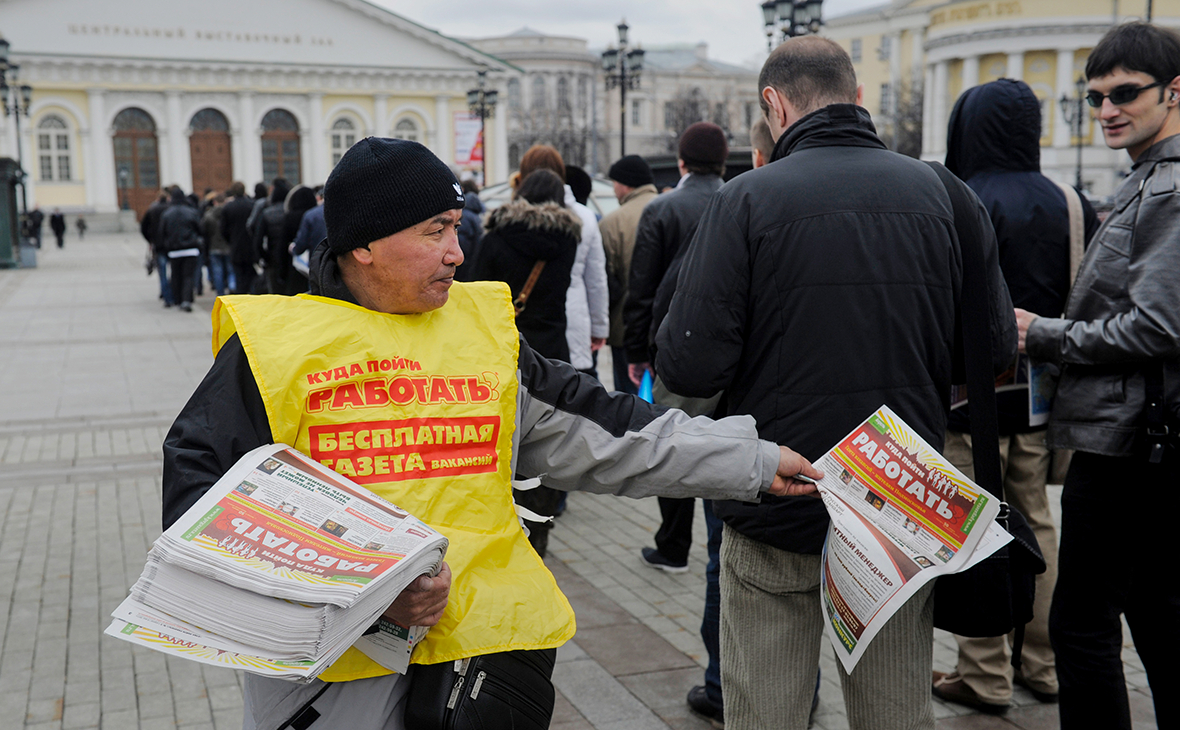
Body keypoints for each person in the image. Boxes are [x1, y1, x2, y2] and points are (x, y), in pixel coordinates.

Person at [160, 136, 823, 730]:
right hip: (328, 687)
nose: (457, 251)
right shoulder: (275, 350)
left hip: (474, 666)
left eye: (455, 226)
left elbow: (611, 429)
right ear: (362, 245)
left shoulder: (482, 335)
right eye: (434, 231)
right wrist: (364, 594)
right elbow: (203, 507)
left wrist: (753, 461)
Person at [655, 37, 1016, 730]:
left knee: (766, 710)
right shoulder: (946, 193)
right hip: (896, 507)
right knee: (895, 712)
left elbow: (691, 365)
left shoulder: (746, 200)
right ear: (857, 99)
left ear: (774, 104)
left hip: (778, 494)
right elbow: (993, 349)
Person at [1015, 22, 1180, 730]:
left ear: (1174, 92)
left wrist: (1041, 335)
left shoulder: (1167, 189)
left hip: (1128, 450)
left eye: (1124, 94)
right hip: (1141, 444)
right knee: (1157, 621)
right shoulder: (1148, 179)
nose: (1108, 110)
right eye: (1095, 99)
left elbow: (1159, 327)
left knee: (1082, 628)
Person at [931, 78, 1100, 715]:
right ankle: (1045, 663)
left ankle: (984, 673)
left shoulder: (958, 198)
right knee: (1039, 523)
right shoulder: (1072, 200)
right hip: (1039, 396)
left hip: (965, 399)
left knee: (971, 529)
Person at [626, 123, 728, 583]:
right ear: (724, 162)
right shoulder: (744, 199)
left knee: (673, 444)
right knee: (726, 447)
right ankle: (721, 546)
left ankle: (673, 545)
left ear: (682, 162)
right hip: (733, 351)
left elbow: (641, 287)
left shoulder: (663, 208)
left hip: (672, 350)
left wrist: (636, 350)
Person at [519, 145, 609, 379]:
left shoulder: (510, 217)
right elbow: (596, 278)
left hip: (523, 318)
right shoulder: (584, 217)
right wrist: (599, 327)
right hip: (573, 315)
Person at [599, 155, 658, 396]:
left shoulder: (612, 222)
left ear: (626, 184)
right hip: (667, 327)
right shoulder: (671, 208)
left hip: (625, 329)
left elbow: (606, 281)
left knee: (629, 406)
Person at [157, 187, 203, 313]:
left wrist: (165, 246)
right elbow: (199, 229)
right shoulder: (191, 212)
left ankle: (178, 299)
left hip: (174, 250)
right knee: (188, 276)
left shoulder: (167, 213)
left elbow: (162, 233)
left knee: (176, 275)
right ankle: (186, 300)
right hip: (190, 248)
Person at [253, 179, 292, 294]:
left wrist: (265, 258)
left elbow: (258, 240)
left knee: (275, 294)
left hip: (273, 259)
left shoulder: (267, 213)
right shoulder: (290, 213)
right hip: (290, 259)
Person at [220, 182, 258, 295]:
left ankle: (241, 296)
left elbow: (223, 229)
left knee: (239, 276)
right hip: (250, 245)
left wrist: (230, 240)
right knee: (250, 274)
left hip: (236, 246)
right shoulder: (252, 205)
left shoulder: (228, 207)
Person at [281, 185, 318, 294]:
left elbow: (283, 243)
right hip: (314, 262)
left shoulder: (290, 217)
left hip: (294, 266)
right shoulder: (314, 215)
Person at [141, 191, 173, 307]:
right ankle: (172, 294)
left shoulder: (152, 210)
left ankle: (166, 296)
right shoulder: (171, 209)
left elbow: (144, 227)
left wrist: (150, 239)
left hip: (158, 245)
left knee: (162, 272)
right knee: (173, 271)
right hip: (172, 245)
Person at [202, 192, 233, 296]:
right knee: (230, 270)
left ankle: (220, 293)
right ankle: (232, 287)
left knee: (217, 272)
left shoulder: (209, 215)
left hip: (214, 247)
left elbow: (205, 232)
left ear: (214, 202)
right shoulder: (228, 213)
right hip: (228, 246)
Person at [455, 179, 483, 279]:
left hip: (463, 271)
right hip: (475, 268)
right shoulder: (479, 213)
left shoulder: (463, 216)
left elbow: (462, 245)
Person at [292, 186, 327, 258]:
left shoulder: (310, 215)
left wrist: (294, 249)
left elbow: (301, 244)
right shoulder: (344, 212)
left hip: (318, 261)